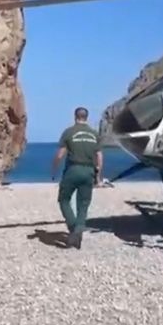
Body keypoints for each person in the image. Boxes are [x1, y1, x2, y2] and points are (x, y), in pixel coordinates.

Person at [51, 107, 103, 249]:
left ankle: (74, 228)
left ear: (75, 117)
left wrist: (54, 169)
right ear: (87, 117)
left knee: (64, 199)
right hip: (89, 171)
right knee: (84, 203)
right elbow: (99, 156)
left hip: (73, 170)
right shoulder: (94, 134)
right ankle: (79, 229)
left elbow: (60, 154)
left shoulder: (69, 132)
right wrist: (98, 176)